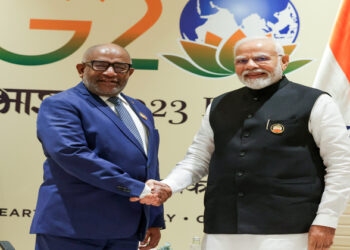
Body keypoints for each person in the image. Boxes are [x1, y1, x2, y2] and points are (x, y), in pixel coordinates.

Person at [133, 37, 350, 250]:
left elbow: (341, 165)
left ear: (284, 61)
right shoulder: (219, 104)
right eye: (242, 61)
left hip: (290, 229)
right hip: (223, 228)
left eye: (262, 58)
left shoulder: (315, 101)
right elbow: (198, 158)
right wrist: (169, 186)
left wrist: (326, 220)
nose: (251, 65)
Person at [30, 43, 164, 250]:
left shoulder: (140, 109)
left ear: (130, 72)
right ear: (81, 69)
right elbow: (72, 155)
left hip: (126, 229)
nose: (110, 73)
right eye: (100, 65)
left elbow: (148, 165)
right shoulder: (61, 104)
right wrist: (137, 188)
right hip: (72, 228)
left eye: (120, 67)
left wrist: (153, 218)